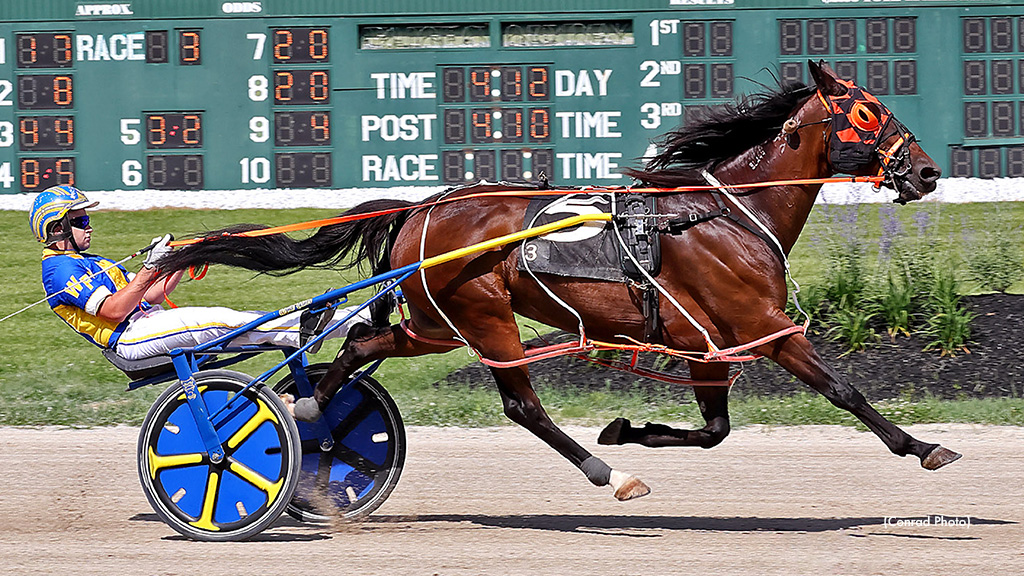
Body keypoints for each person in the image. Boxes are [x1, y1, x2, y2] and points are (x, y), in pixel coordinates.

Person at [32, 185, 366, 362]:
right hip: (131, 338)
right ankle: (325, 327)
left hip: (149, 323)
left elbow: (150, 295)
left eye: (87, 220)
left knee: (245, 325)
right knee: (224, 319)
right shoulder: (60, 270)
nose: (88, 227)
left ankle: (355, 322)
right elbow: (116, 310)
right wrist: (150, 267)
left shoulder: (88, 260)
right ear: (57, 227)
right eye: (80, 221)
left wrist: (176, 261)